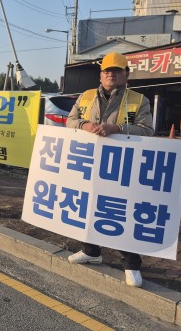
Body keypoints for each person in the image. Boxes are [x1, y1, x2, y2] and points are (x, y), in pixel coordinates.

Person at [65, 52, 154, 288]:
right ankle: (91, 251)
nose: (110, 74)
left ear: (126, 74)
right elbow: (70, 120)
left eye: (116, 70)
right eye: (106, 70)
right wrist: (85, 124)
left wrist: (118, 128)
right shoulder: (85, 96)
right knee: (87, 207)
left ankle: (131, 264)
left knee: (119, 211)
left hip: (121, 167)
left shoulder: (139, 100)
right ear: (100, 74)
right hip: (89, 163)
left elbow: (147, 130)